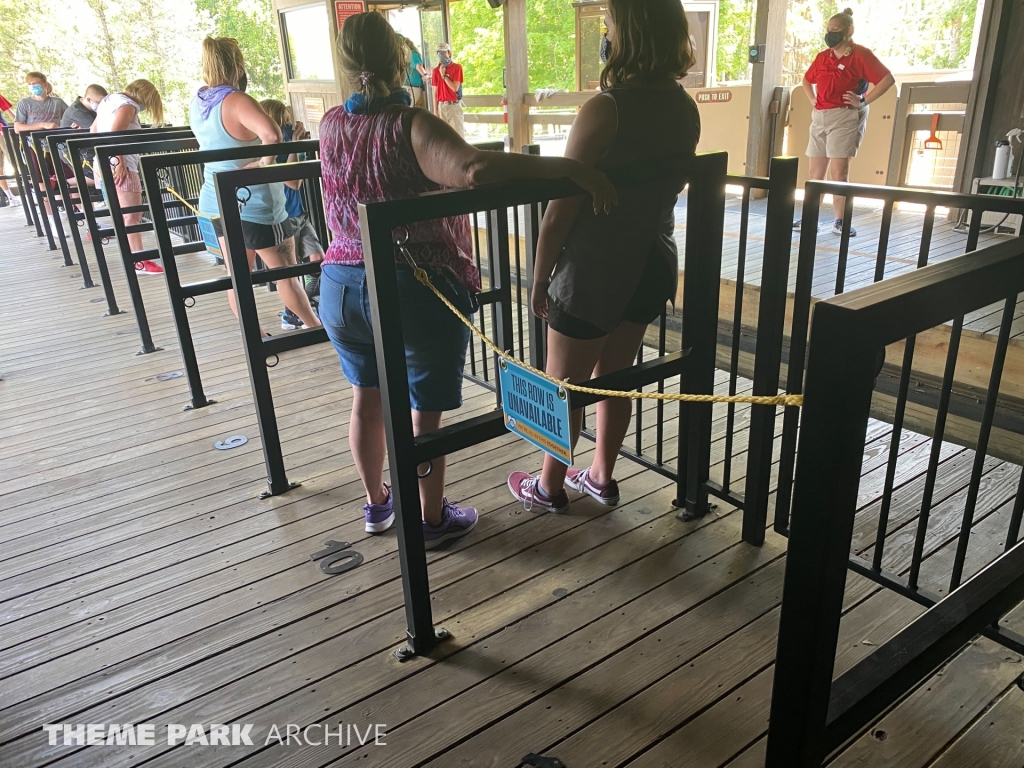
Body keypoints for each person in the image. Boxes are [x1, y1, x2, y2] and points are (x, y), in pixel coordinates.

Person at [319, 12, 615, 545]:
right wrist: (570, 170)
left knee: (366, 397)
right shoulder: (409, 124)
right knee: (423, 418)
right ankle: (430, 519)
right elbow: (475, 169)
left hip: (341, 282)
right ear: (400, 61)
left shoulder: (330, 124)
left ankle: (377, 505)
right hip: (412, 284)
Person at [506, 0, 701, 514]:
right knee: (616, 375)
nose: (606, 32)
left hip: (594, 269)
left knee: (562, 383)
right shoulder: (685, 107)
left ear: (627, 32)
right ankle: (601, 474)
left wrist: (539, 277)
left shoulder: (606, 107)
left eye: (610, 23)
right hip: (652, 260)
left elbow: (561, 207)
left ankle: (549, 486)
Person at [190, 37, 321, 334]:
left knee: (237, 273)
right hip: (254, 202)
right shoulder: (236, 100)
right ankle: (315, 328)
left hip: (215, 198)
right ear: (237, 65)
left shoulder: (198, 102)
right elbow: (271, 134)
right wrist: (261, 165)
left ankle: (254, 334)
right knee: (285, 272)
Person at [797, 8, 894, 237]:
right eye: (828, 30)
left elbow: (886, 79)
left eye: (835, 30)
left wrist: (863, 101)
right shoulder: (823, 56)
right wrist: (813, 99)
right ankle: (810, 217)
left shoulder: (860, 55)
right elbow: (807, 79)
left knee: (839, 172)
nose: (830, 33)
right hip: (820, 116)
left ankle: (840, 220)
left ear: (848, 31)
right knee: (815, 171)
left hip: (845, 116)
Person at [259, 98, 325, 330]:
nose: (287, 125)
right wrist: (293, 145)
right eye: (283, 122)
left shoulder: (288, 146)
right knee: (292, 269)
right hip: (284, 217)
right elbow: (293, 181)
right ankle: (293, 314)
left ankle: (304, 306)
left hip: (300, 213)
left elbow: (303, 168)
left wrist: (301, 144)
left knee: (318, 260)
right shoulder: (270, 152)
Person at [91, 79, 166, 275]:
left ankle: (134, 257)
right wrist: (119, 162)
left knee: (124, 214)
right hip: (120, 166)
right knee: (132, 215)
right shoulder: (128, 106)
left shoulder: (107, 101)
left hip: (102, 163)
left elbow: (94, 131)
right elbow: (115, 135)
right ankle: (139, 260)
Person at [431, 41, 464, 137]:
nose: (441, 55)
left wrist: (444, 75)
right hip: (442, 106)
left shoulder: (457, 68)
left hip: (454, 106)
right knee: (443, 137)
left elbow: (455, 88)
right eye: (439, 53)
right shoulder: (435, 71)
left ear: (449, 53)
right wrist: (435, 110)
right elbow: (435, 93)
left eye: (444, 52)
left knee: (458, 137)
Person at [0, 94, 17, 206]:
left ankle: (34, 192)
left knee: (17, 163)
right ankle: (11, 197)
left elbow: (10, 114)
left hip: (2, 133)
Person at [402, 37, 428, 108]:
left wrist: (424, 75)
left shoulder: (412, 54)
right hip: (411, 88)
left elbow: (418, 65)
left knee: (406, 109)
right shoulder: (407, 57)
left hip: (412, 88)